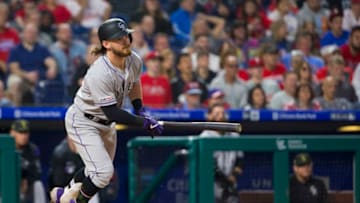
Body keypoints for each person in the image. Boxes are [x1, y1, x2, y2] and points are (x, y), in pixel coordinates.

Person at [49, 18, 164, 203]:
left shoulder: (134, 60)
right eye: (119, 38)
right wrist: (142, 123)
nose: (125, 40)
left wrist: (139, 109)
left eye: (126, 35)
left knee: (94, 169)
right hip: (84, 120)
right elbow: (113, 112)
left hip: (106, 124)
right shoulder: (99, 72)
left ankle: (65, 193)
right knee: (103, 173)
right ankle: (76, 201)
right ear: (106, 44)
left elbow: (134, 83)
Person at [48, 137, 118, 203]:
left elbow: (103, 173)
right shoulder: (61, 152)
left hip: (89, 192)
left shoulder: (90, 148)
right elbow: (57, 182)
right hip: (72, 193)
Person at [200, 103, 244, 203]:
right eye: (217, 113)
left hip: (230, 181)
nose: (221, 116)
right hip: (211, 181)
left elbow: (240, 160)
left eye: (223, 113)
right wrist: (226, 179)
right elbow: (209, 165)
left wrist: (233, 175)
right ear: (209, 116)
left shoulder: (234, 136)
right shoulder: (205, 136)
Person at [9, 119, 47, 203]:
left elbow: (37, 173)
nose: (24, 136)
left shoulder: (32, 150)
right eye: (20, 132)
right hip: (6, 187)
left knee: (38, 185)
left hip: (26, 188)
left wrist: (26, 179)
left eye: (26, 133)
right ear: (12, 133)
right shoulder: (4, 148)